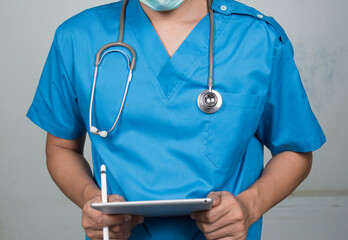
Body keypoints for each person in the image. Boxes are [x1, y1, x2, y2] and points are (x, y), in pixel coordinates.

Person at [26, 0, 326, 239]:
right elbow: (61, 148)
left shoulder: (257, 37)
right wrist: (89, 198)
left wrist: (250, 206)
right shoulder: (78, 37)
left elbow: (295, 148)